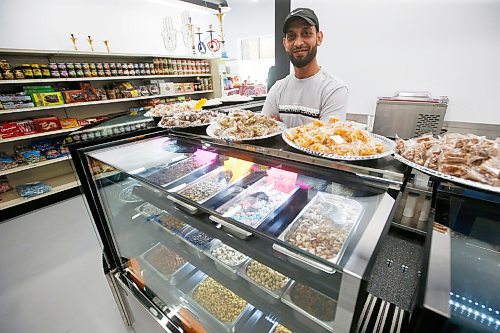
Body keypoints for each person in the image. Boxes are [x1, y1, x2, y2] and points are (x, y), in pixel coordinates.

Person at [262, 8, 348, 128]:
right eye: (291, 36)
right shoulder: (277, 89)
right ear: (285, 43)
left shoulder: (333, 89)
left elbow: (326, 142)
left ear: (319, 38)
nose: (298, 43)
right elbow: (263, 130)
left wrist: (281, 129)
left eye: (306, 33)